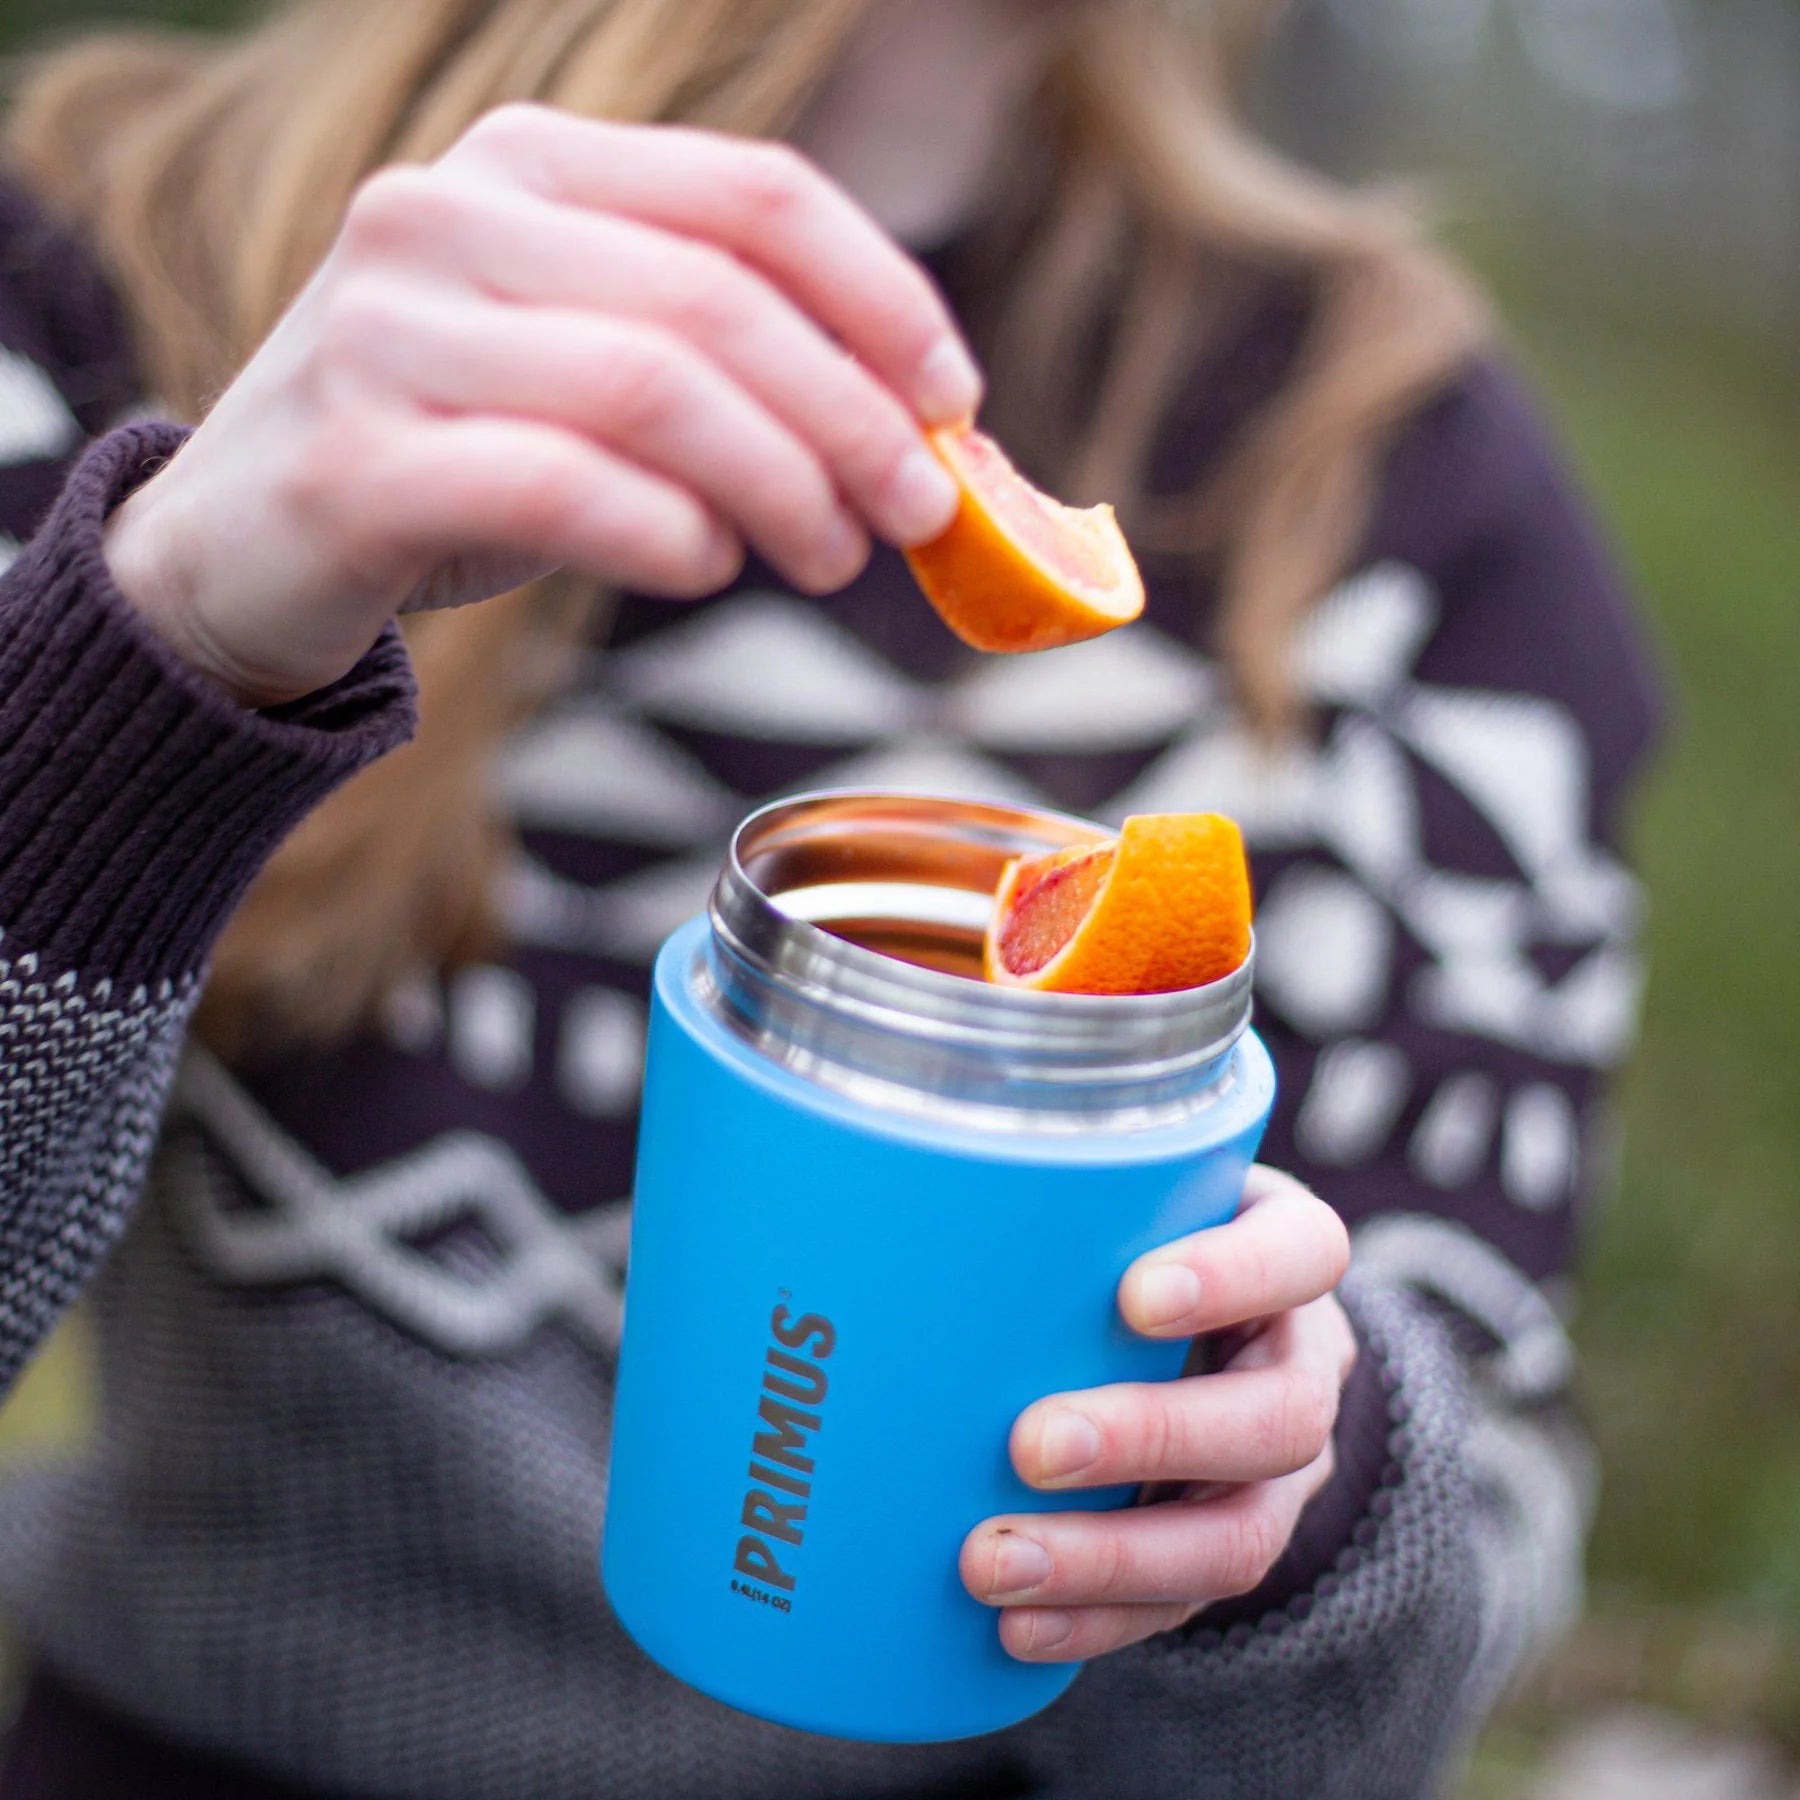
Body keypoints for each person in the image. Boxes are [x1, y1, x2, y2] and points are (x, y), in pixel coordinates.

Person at [0, 0, 1660, 1794]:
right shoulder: (106, 260)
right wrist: (165, 637)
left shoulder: (1393, 466)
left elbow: (1418, 1660)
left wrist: (1288, 1488)